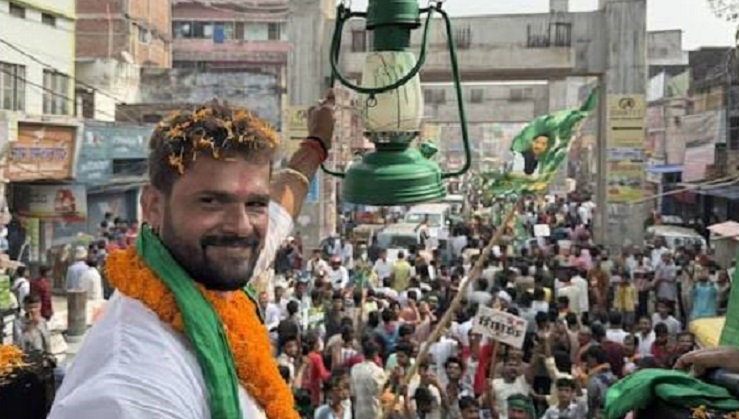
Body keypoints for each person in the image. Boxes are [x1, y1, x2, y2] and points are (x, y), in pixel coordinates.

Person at [50, 92, 336, 419]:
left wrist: (316, 144)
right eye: (211, 202)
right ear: (153, 206)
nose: (240, 226)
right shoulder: (134, 391)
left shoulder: (213, 270)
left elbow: (285, 199)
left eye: (255, 204)